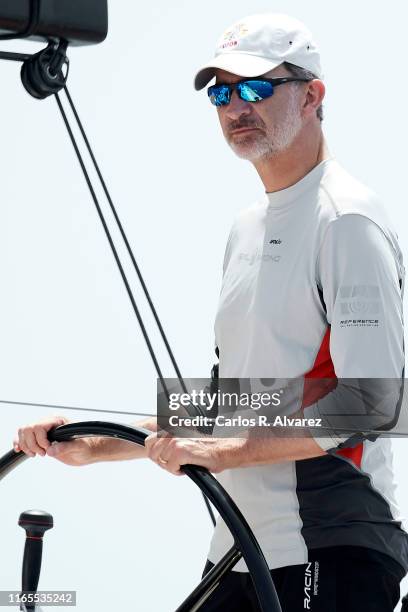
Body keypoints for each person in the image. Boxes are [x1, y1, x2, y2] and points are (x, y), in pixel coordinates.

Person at [14, 13, 408, 611]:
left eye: (254, 88)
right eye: (220, 93)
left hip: (332, 548)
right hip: (239, 547)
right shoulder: (246, 229)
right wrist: (97, 444)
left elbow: (372, 403)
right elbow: (234, 404)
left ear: (312, 96)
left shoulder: (346, 219)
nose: (234, 107)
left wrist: (224, 454)